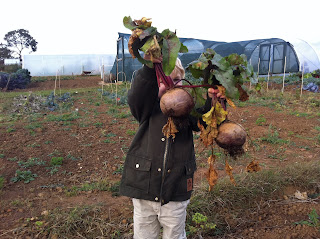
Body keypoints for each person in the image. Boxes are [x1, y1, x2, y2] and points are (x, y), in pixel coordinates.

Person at [119, 55, 221, 239]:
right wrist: (150, 68)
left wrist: (213, 102)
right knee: (144, 235)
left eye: (175, 80)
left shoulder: (187, 106)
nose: (170, 87)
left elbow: (204, 124)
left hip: (176, 188)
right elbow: (137, 96)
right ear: (153, 84)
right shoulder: (147, 108)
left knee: (174, 233)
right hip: (144, 188)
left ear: (182, 80)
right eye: (163, 82)